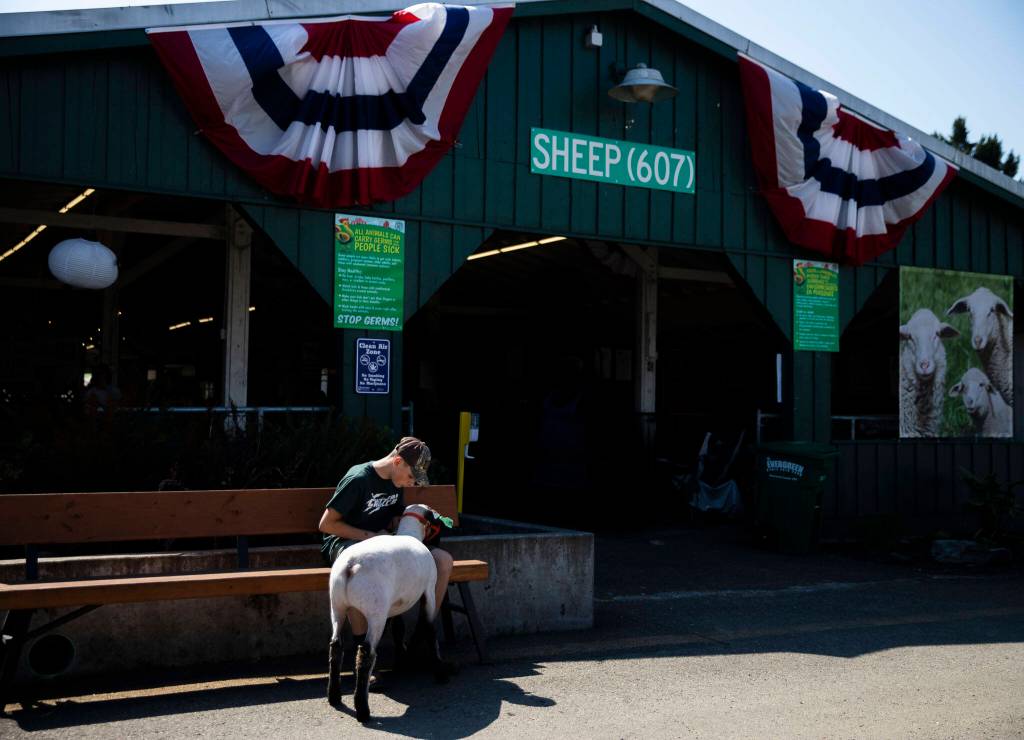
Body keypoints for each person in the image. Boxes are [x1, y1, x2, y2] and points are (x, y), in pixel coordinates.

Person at [318, 437, 454, 646]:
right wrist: (371, 537)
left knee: (442, 561)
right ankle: (361, 647)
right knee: (360, 569)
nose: (412, 483)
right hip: (346, 544)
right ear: (398, 461)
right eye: (411, 476)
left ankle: (423, 637)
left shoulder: (395, 482)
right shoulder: (359, 479)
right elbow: (326, 525)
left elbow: (391, 516)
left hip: (383, 545)